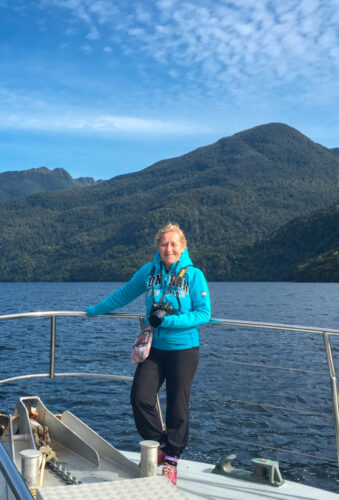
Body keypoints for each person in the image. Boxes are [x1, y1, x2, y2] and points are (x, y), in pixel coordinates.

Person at [85, 223, 211, 485]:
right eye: (164, 244)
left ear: (182, 246)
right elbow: (123, 295)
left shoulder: (194, 275)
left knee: (178, 404)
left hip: (184, 349)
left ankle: (172, 460)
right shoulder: (149, 271)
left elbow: (203, 313)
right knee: (140, 397)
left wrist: (168, 322)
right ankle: (161, 445)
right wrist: (94, 310)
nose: (169, 249)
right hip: (154, 349)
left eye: (174, 244)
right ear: (158, 246)